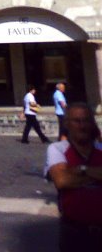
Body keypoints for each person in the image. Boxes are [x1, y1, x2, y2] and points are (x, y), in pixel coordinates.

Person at [43, 102, 102, 239]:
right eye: (76, 121)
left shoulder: (100, 148)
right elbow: (62, 181)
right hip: (74, 231)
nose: (82, 126)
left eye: (86, 120)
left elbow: (67, 177)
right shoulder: (57, 148)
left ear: (92, 124)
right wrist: (96, 173)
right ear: (67, 124)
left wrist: (79, 170)